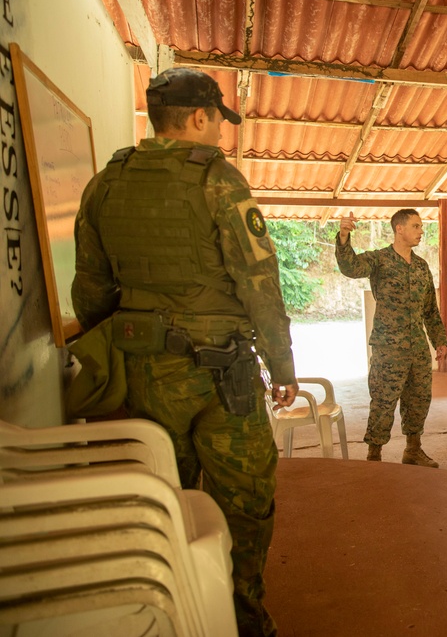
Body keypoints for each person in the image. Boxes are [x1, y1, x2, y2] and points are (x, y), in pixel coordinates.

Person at [71, 68, 295, 637]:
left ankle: (176, 615)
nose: (221, 130)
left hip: (145, 373)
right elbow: (260, 286)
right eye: (218, 118)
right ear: (199, 117)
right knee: (244, 500)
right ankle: (242, 617)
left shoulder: (105, 182)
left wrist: (120, 355)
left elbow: (91, 289)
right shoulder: (219, 181)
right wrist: (282, 365)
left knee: (162, 499)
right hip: (224, 377)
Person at [337, 209, 447, 466]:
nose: (421, 231)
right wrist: (344, 236)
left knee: (418, 399)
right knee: (383, 402)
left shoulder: (421, 266)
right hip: (389, 348)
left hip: (417, 348)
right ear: (400, 229)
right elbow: (350, 267)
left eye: (421, 227)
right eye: (416, 226)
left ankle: (413, 450)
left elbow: (430, 308)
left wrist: (439, 340)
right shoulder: (380, 260)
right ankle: (374, 456)